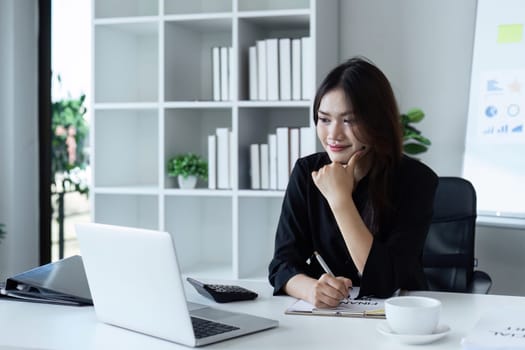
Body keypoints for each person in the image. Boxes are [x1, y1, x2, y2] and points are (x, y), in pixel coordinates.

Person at [268, 56, 438, 308]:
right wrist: (311, 290)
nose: (333, 134)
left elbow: (384, 282)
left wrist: (339, 199)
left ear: (377, 122)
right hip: (329, 317)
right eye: (325, 119)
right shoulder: (307, 172)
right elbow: (281, 265)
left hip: (399, 318)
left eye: (349, 120)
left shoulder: (416, 180)